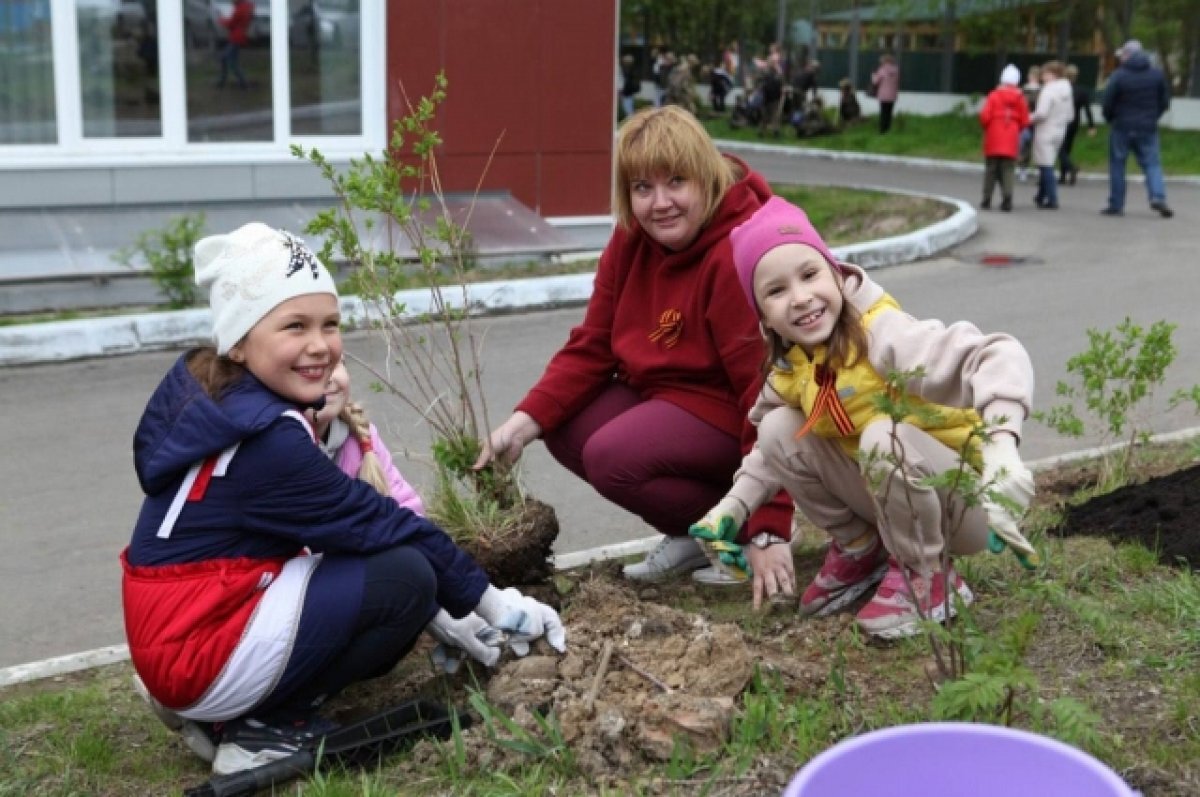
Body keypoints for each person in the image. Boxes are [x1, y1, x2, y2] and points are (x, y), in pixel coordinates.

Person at [122, 223, 566, 776]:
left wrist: (459, 604)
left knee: (381, 568)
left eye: (329, 324)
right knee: (404, 580)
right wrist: (492, 602)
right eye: (294, 325)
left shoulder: (230, 402)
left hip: (180, 627)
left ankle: (223, 712)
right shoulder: (268, 441)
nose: (320, 345)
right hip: (194, 642)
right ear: (238, 342)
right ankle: (262, 731)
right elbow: (384, 524)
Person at [474, 106, 793, 586]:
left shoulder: (737, 250)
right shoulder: (632, 240)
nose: (660, 203)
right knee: (560, 424)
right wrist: (523, 423)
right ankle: (692, 534)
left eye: (676, 182)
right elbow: (593, 343)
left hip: (735, 412)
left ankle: (739, 530)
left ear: (705, 177)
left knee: (613, 456)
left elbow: (765, 393)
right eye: (643, 188)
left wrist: (771, 524)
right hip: (669, 400)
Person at [690, 196, 1037, 632]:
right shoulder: (794, 364)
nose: (800, 298)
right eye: (776, 291)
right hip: (896, 502)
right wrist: (732, 508)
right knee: (778, 427)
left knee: (881, 435)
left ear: (836, 273)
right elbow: (768, 451)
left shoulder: (881, 332)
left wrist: (1003, 448)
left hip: (965, 506)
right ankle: (861, 548)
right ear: (764, 317)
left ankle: (928, 575)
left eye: (810, 274)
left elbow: (998, 354)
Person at [308, 359, 503, 674]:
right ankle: (312, 690)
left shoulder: (360, 439)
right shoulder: (281, 454)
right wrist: (434, 614)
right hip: (300, 603)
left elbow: (405, 515)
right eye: (309, 368)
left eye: (336, 364)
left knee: (415, 581)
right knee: (408, 586)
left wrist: (446, 604)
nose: (329, 378)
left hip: (350, 585)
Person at [1102, 40, 1173, 218]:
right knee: (1152, 163)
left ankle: (1116, 204)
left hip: (1122, 126)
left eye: (1122, 55)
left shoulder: (1119, 75)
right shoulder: (1156, 75)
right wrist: (1153, 117)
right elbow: (1164, 101)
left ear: (1127, 55)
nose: (1121, 58)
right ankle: (1157, 196)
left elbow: (1108, 101)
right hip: (1147, 127)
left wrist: (1110, 118)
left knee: (1118, 164)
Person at [978, 64, 1029, 212]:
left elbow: (985, 116)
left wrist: (988, 127)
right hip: (1011, 135)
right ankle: (1007, 198)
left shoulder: (994, 95)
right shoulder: (1020, 98)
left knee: (991, 169)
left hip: (994, 134)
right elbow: (1025, 120)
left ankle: (986, 199)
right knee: (1008, 169)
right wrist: (1016, 128)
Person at [1029, 61, 1074, 210]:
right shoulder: (1067, 90)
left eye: (1045, 73)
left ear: (1053, 74)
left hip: (1045, 130)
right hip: (1060, 130)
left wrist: (1028, 118)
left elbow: (1041, 113)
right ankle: (1041, 195)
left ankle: (1052, 198)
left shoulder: (1048, 91)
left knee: (1045, 165)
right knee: (1048, 162)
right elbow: (1070, 115)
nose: (1042, 76)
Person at [1057, 63, 1096, 186]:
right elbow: (1088, 109)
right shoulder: (1081, 91)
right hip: (1074, 122)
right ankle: (1064, 175)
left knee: (1059, 148)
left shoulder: (1060, 90)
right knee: (1067, 148)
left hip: (1062, 121)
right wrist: (1091, 126)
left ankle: (1070, 168)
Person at [217, 0, 253, 89]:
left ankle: (243, 83)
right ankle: (224, 81)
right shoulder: (245, 7)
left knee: (230, 62)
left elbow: (231, 23)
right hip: (239, 36)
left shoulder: (239, 9)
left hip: (236, 37)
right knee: (227, 60)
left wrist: (221, 20)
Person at [1017, 65, 1041, 180]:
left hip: (1034, 120)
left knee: (1031, 146)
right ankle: (1024, 168)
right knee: (1025, 145)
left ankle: (1029, 168)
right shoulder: (1026, 89)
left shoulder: (1038, 90)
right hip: (1029, 120)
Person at [870, 53, 900, 134]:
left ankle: (882, 130)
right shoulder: (896, 70)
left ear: (884, 61)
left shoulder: (882, 70)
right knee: (889, 112)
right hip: (892, 95)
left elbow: (875, 81)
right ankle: (888, 129)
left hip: (883, 95)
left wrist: (873, 75)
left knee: (883, 112)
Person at [619, 54, 640, 119]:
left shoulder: (629, 69)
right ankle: (630, 118)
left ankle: (631, 119)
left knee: (628, 107)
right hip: (628, 90)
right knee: (627, 106)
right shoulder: (630, 69)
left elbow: (628, 81)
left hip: (628, 90)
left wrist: (624, 89)